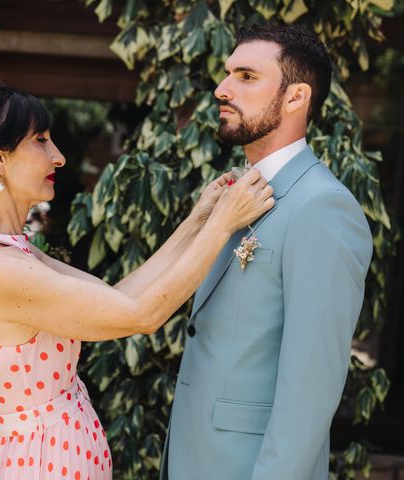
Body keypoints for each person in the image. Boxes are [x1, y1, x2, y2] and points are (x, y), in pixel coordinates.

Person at [0, 83, 274, 479]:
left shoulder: (6, 249)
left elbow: (115, 297)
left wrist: (199, 218)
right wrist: (222, 224)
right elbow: (140, 315)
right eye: (41, 141)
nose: (58, 157)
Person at [161, 24, 374, 480]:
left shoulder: (322, 207)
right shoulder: (233, 191)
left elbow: (310, 389)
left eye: (246, 76)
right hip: (195, 458)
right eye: (227, 74)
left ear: (296, 97)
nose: (222, 89)